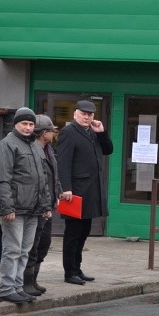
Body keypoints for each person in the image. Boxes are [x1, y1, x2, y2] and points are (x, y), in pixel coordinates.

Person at [0, 107, 51, 304]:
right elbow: (2, 179)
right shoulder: (7, 145)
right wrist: (7, 208)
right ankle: (7, 288)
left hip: (34, 209)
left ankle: (18, 286)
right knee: (12, 249)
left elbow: (42, 179)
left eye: (30, 124)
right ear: (15, 124)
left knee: (25, 249)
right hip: (16, 209)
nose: (28, 127)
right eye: (24, 124)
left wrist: (46, 206)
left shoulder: (35, 146)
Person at [56, 100, 113, 285]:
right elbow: (63, 163)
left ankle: (77, 268)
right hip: (76, 192)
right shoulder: (68, 132)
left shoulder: (92, 132)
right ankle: (69, 272)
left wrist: (101, 132)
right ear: (75, 114)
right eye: (83, 113)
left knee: (84, 231)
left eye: (90, 114)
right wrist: (66, 188)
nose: (87, 117)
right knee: (73, 232)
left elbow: (108, 150)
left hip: (91, 190)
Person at [23, 114, 61, 297]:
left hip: (48, 204)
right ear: (43, 133)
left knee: (44, 243)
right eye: (52, 130)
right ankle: (27, 281)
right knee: (33, 243)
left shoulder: (49, 150)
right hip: (37, 205)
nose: (54, 133)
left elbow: (54, 175)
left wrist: (58, 193)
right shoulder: (33, 150)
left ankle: (34, 279)